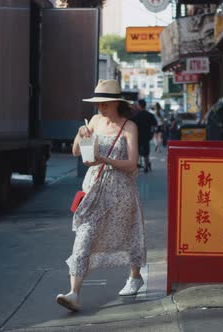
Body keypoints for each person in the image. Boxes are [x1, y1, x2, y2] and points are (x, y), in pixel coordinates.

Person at [56, 80, 146, 311]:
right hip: (93, 189)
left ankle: (135, 276)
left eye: (104, 103)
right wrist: (80, 134)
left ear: (116, 102)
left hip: (121, 191)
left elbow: (132, 163)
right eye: (98, 104)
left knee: (129, 233)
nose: (100, 108)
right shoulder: (94, 121)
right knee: (83, 237)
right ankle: (74, 293)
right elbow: (77, 151)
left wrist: (105, 160)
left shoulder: (129, 127)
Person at [130, 99, 157, 172]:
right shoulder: (150, 115)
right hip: (146, 136)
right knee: (146, 152)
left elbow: (130, 123)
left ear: (139, 106)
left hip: (137, 136)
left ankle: (137, 165)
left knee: (136, 150)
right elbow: (155, 124)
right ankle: (146, 165)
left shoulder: (136, 116)